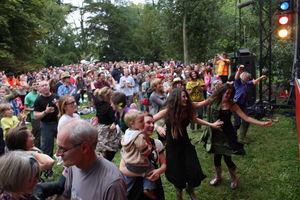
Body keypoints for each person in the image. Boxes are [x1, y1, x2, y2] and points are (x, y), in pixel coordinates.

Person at [153, 88, 223, 200]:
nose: (186, 98)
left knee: (193, 169)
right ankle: (179, 196)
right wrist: (158, 127)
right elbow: (150, 120)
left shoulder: (187, 109)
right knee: (177, 174)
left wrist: (211, 124)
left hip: (185, 145)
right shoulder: (167, 111)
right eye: (183, 96)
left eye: (186, 96)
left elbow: (195, 119)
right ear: (176, 98)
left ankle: (191, 191)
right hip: (173, 147)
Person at [197, 84, 272, 189]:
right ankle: (218, 177)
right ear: (222, 91)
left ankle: (234, 178)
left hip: (228, 134)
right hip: (215, 134)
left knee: (227, 158)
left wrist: (262, 123)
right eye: (226, 92)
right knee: (217, 157)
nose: (228, 95)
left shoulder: (232, 105)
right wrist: (182, 103)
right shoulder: (213, 100)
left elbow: (246, 117)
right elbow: (199, 104)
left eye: (230, 93)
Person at [56, 119, 127, 200]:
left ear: (84, 148)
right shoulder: (74, 166)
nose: (57, 153)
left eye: (62, 149)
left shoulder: (112, 183)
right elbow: (66, 196)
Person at [120, 113, 167, 200]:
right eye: (148, 123)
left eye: (153, 123)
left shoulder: (157, 143)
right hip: (136, 188)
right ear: (138, 125)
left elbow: (164, 165)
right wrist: (143, 174)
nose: (152, 125)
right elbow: (122, 169)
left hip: (154, 185)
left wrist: (158, 171)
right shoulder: (131, 145)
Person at [233, 65, 267, 143]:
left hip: (244, 104)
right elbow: (236, 77)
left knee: (246, 121)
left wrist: (261, 77)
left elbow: (254, 82)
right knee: (237, 123)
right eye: (247, 77)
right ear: (244, 77)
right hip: (236, 104)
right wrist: (239, 70)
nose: (249, 79)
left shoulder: (246, 83)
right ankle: (232, 137)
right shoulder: (238, 83)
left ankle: (242, 137)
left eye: (249, 78)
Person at [93, 87, 120, 161]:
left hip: (100, 128)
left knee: (104, 149)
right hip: (108, 130)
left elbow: (94, 93)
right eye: (111, 95)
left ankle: (102, 161)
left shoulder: (98, 102)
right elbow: (114, 118)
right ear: (107, 96)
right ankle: (105, 163)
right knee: (111, 149)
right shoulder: (109, 107)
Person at [24, 81, 41, 148]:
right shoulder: (28, 96)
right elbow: (25, 108)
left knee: (41, 132)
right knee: (36, 133)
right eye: (34, 84)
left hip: (42, 115)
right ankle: (36, 147)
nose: (36, 85)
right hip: (34, 117)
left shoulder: (40, 94)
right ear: (31, 86)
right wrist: (34, 109)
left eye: (37, 84)